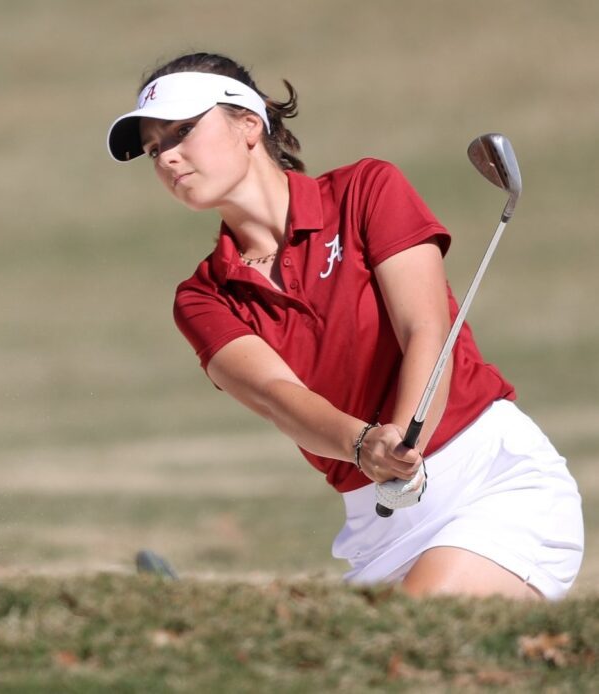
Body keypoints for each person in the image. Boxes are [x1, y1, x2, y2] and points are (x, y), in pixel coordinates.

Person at [106, 52, 584, 600]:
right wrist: (364, 448)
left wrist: (403, 444)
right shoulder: (204, 296)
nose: (167, 157)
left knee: (411, 633)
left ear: (248, 124)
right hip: (378, 522)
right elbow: (278, 397)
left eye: (183, 130)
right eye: (153, 148)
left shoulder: (365, 191)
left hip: (488, 481)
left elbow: (425, 330)